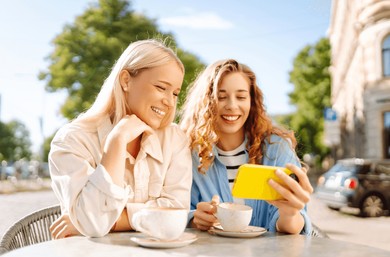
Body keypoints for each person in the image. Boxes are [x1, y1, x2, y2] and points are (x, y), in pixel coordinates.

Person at [49, 39, 192, 238]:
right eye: (161, 87)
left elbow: (176, 211)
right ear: (126, 80)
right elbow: (94, 224)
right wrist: (117, 141)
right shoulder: (72, 140)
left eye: (175, 93)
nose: (169, 101)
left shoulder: (174, 139)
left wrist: (114, 221)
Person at [179, 59, 313, 234]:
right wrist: (194, 220)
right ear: (205, 102)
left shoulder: (277, 148)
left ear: (252, 101)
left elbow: (292, 228)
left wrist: (289, 213)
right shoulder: (188, 153)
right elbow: (175, 211)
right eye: (221, 97)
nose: (232, 106)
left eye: (241, 97)